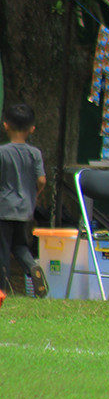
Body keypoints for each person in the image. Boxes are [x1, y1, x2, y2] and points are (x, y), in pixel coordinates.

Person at [0, 103, 48, 298]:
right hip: (25, 208)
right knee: (19, 245)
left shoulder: (2, 153)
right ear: (32, 129)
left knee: (2, 249)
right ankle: (32, 266)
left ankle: (2, 288)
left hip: (3, 208)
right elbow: (42, 180)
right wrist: (35, 193)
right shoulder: (34, 153)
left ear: (5, 126)